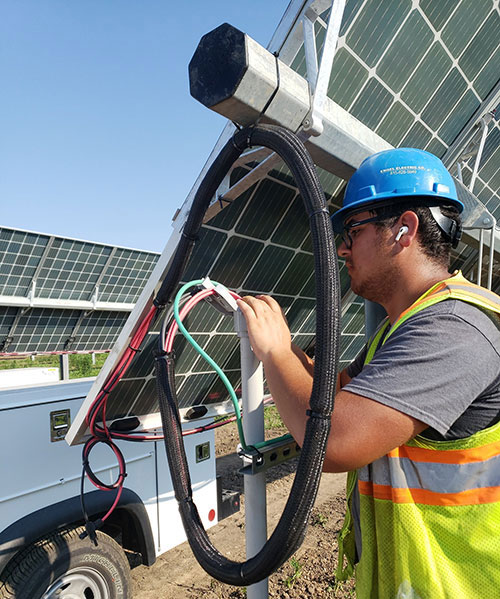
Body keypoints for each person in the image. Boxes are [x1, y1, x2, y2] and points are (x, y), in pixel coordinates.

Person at [236, 148, 500, 599]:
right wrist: (285, 348)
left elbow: (334, 439)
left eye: (353, 230)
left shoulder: (453, 329)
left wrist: (278, 351)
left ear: (404, 230)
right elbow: (337, 392)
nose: (341, 248)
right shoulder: (408, 327)